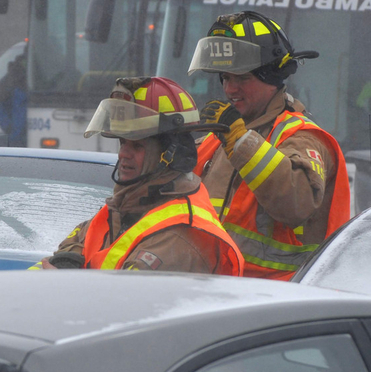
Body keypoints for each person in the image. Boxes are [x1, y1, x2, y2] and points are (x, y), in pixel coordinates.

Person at [188, 10, 350, 280]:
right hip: (213, 291)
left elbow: (297, 202)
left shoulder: (303, 137)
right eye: (225, 77)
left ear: (272, 76)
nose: (230, 89)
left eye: (242, 78)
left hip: (279, 298)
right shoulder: (216, 140)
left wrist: (240, 142)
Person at [40, 76, 243, 275]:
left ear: (171, 154)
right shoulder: (120, 209)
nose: (123, 154)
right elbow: (46, 268)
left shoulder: (180, 233)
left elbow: (127, 296)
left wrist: (62, 284)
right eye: (122, 142)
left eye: (137, 145)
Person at [0, 51, 27, 147]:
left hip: (36, 135)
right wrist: (9, 127)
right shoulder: (9, 82)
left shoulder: (42, 80)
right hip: (16, 139)